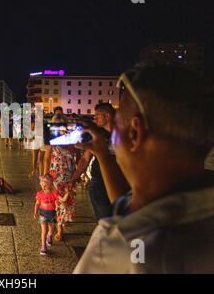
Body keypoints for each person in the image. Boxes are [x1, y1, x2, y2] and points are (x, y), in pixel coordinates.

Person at [74, 66, 214, 273]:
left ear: (134, 133)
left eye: (118, 123)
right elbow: (131, 204)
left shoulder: (120, 247)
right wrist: (102, 154)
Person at [70, 103, 122, 221]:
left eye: (98, 115)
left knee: (120, 217)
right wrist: (74, 178)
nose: (95, 118)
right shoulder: (97, 134)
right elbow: (85, 159)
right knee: (104, 218)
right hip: (99, 182)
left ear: (107, 116)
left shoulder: (122, 133)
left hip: (119, 179)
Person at [34, 174, 60, 256]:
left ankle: (50, 236)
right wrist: (35, 212)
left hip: (52, 214)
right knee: (44, 230)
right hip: (43, 214)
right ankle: (43, 246)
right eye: (42, 185)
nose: (43, 187)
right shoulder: (40, 194)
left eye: (45, 185)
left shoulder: (53, 194)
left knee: (51, 230)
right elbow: (37, 204)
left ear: (50, 185)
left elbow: (59, 199)